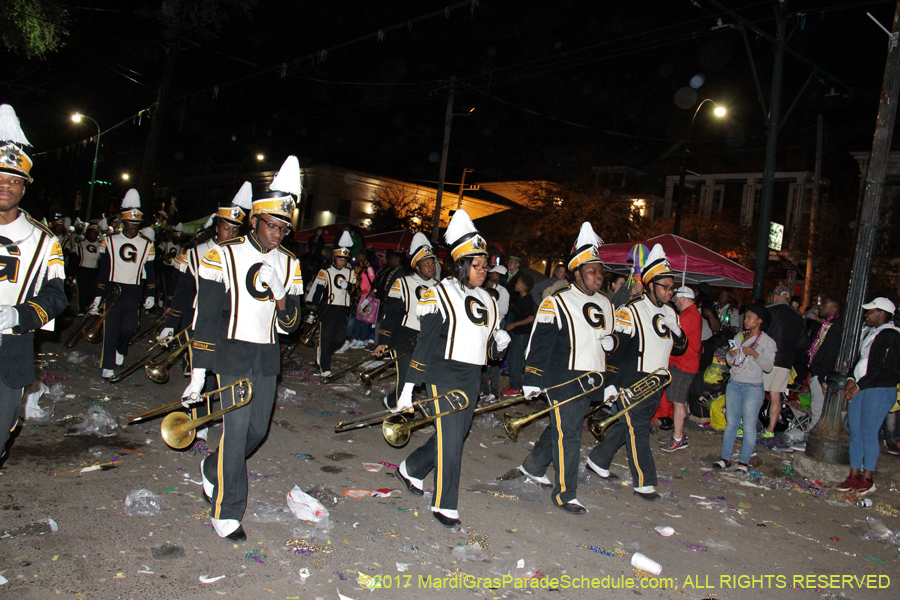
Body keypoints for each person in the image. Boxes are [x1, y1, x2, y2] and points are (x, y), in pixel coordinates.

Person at [188, 156, 304, 542]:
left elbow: (291, 326)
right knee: (235, 432)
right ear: (254, 219)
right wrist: (199, 372)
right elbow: (205, 317)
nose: (278, 234)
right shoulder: (221, 253)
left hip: (267, 355)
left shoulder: (290, 263)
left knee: (258, 430)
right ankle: (227, 510)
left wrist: (283, 295)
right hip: (231, 352)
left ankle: (211, 469)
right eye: (272, 225)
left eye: (284, 228)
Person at [394, 209, 508, 528]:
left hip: (472, 375)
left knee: (456, 435)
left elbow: (488, 352)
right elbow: (426, 344)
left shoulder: (488, 300)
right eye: (478, 265)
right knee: (451, 437)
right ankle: (445, 504)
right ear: (461, 264)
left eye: (485, 266)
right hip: (442, 373)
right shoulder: (438, 293)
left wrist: (499, 343)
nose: (484, 271)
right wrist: (407, 389)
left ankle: (411, 469)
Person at [516, 222, 614, 514]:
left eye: (600, 271)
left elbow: (604, 345)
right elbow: (540, 342)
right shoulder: (556, 302)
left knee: (563, 427)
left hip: (592, 379)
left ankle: (533, 465)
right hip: (563, 378)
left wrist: (609, 375)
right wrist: (532, 378)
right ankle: (565, 493)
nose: (599, 276)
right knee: (569, 434)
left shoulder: (607, 305)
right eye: (592, 271)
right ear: (577, 273)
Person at [586, 243, 687, 500]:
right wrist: (610, 383)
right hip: (632, 380)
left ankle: (598, 460)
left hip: (657, 382)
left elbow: (679, 349)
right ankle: (645, 481)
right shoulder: (631, 310)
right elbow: (614, 350)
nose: (670, 292)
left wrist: (678, 332)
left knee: (627, 425)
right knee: (637, 429)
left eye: (672, 287)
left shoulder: (670, 312)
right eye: (665, 286)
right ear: (650, 284)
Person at [0, 104, 67, 461]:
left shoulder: (45, 241)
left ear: (25, 187)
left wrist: (18, 315)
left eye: (13, 180)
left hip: (9, 352)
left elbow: (56, 297)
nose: (5, 187)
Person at [159, 183, 251, 440]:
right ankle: (198, 420)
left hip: (232, 321)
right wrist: (171, 322)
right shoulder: (195, 252)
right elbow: (183, 292)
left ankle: (208, 419)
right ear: (216, 226)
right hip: (200, 318)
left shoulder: (243, 253)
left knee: (218, 373)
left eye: (235, 229)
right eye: (225, 227)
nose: (230, 232)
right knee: (201, 368)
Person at [836, 297, 900, 495]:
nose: (866, 315)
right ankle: (853, 476)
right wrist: (850, 379)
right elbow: (860, 361)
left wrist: (859, 385)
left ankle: (868, 478)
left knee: (869, 433)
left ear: (881, 313)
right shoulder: (871, 333)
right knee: (856, 432)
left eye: (870, 311)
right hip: (862, 387)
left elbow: (885, 367)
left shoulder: (892, 335)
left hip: (879, 389)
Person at [92, 189, 157, 378]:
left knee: (129, 327)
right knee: (110, 327)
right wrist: (98, 295)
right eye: (130, 222)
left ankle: (121, 349)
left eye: (137, 223)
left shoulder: (147, 243)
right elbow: (103, 270)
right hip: (113, 288)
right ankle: (108, 364)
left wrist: (151, 293)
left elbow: (151, 271)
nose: (133, 226)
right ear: (123, 221)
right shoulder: (110, 240)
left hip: (134, 289)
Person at [375, 232, 438, 409]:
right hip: (403, 336)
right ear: (417, 267)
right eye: (426, 264)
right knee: (406, 377)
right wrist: (383, 340)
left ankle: (392, 401)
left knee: (421, 377)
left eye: (432, 263)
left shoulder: (440, 287)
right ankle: (398, 410)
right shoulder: (402, 283)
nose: (431, 267)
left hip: (427, 339)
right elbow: (391, 314)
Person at [715, 303, 776, 472]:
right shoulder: (739, 337)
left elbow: (768, 367)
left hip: (753, 387)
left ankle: (743, 462)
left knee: (749, 425)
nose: (746, 321)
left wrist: (755, 354)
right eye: (746, 317)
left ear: (759, 322)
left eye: (750, 318)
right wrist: (731, 354)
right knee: (731, 423)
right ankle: (725, 458)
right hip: (734, 383)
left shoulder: (767, 342)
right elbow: (729, 361)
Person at [305, 230, 356, 376]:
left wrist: (349, 286)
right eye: (340, 259)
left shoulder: (350, 272)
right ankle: (325, 368)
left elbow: (354, 291)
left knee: (340, 339)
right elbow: (317, 293)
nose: (343, 262)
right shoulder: (325, 272)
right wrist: (312, 312)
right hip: (327, 309)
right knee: (326, 338)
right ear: (334, 257)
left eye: (345, 260)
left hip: (342, 310)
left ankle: (322, 352)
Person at [660, 286, 703, 452]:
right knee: (679, 401)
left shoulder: (689, 315)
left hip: (682, 364)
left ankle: (678, 437)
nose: (675, 301)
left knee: (678, 403)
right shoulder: (692, 314)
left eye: (677, 298)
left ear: (683, 298)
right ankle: (677, 434)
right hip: (684, 363)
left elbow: (678, 338)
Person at [762, 285, 808, 438]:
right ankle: (770, 429)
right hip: (785, 363)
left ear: (775, 297)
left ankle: (748, 424)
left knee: (756, 392)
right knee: (776, 395)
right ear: (788, 299)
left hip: (766, 360)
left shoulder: (768, 312)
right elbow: (803, 344)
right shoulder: (797, 318)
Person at [804, 296, 843, 431]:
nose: (820, 307)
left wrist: (822, 377)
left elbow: (830, 353)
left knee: (817, 409)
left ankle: (812, 438)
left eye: (824, 305)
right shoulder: (827, 324)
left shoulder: (835, 327)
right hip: (818, 372)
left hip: (822, 374)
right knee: (815, 408)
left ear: (833, 309)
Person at [502, 273, 535, 396]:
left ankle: (516, 387)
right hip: (517, 333)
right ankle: (512, 383)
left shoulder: (527, 300)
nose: (516, 284)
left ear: (524, 285)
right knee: (511, 358)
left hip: (522, 334)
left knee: (516, 360)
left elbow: (531, 318)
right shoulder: (520, 298)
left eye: (518, 282)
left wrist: (514, 324)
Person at [347, 250, 376, 349]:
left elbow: (373, 284)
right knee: (357, 319)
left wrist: (364, 292)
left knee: (364, 320)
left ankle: (362, 340)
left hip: (365, 297)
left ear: (364, 256)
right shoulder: (358, 268)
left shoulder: (369, 269)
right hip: (358, 297)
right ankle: (356, 338)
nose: (357, 256)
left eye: (359, 254)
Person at [71, 223, 102, 316]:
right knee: (82, 290)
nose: (94, 235)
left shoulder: (101, 245)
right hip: (82, 270)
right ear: (87, 234)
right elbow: (74, 260)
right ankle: (81, 309)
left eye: (96, 233)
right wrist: (71, 274)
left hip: (94, 271)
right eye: (92, 233)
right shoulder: (79, 245)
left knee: (92, 290)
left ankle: (89, 306)